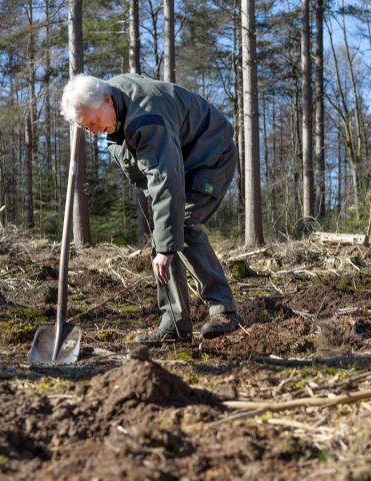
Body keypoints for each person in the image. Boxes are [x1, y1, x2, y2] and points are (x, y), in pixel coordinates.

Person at [60, 73, 241, 343]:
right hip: (179, 162)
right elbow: (150, 181)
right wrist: (162, 239)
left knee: (183, 226)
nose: (95, 132)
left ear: (107, 101)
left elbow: (165, 179)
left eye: (95, 123)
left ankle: (223, 310)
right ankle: (175, 324)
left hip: (210, 156)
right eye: (88, 128)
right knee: (164, 233)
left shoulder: (147, 117)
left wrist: (167, 246)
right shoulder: (111, 113)